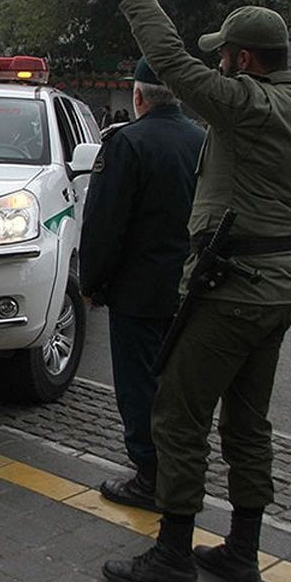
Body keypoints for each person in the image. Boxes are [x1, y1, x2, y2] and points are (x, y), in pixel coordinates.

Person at [99, 0, 291, 582]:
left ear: (245, 58)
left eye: (226, 54)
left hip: (228, 289)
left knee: (177, 413)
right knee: (247, 424)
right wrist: (280, 277)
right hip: (275, 293)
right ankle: (242, 549)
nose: (219, 62)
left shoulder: (248, 104)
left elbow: (173, 65)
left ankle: (173, 554)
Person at [79, 58, 205, 512]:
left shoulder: (127, 142)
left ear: (137, 97)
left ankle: (150, 476)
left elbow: (103, 224)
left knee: (138, 385)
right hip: (191, 291)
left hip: (139, 292)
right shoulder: (204, 141)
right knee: (179, 388)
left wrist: (91, 283)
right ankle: (177, 471)